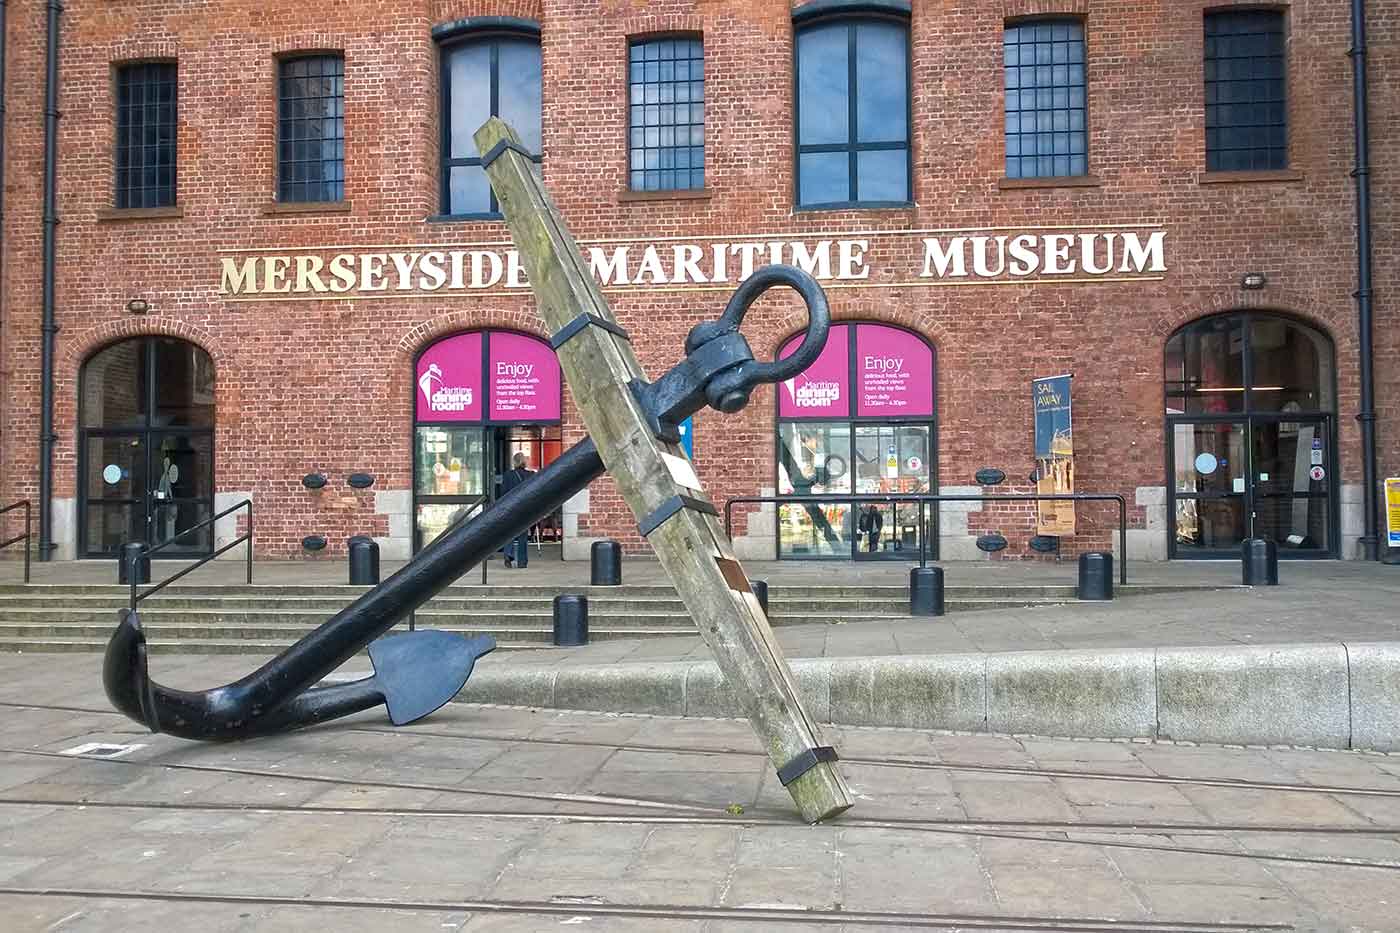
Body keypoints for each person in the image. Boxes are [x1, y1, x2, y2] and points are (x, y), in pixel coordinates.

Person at [499, 452, 535, 568]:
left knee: (510, 533)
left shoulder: (507, 475)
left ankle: (508, 555)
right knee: (523, 536)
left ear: (514, 462)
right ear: (524, 462)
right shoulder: (531, 475)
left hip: (511, 508)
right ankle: (522, 561)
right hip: (525, 508)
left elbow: (503, 493)